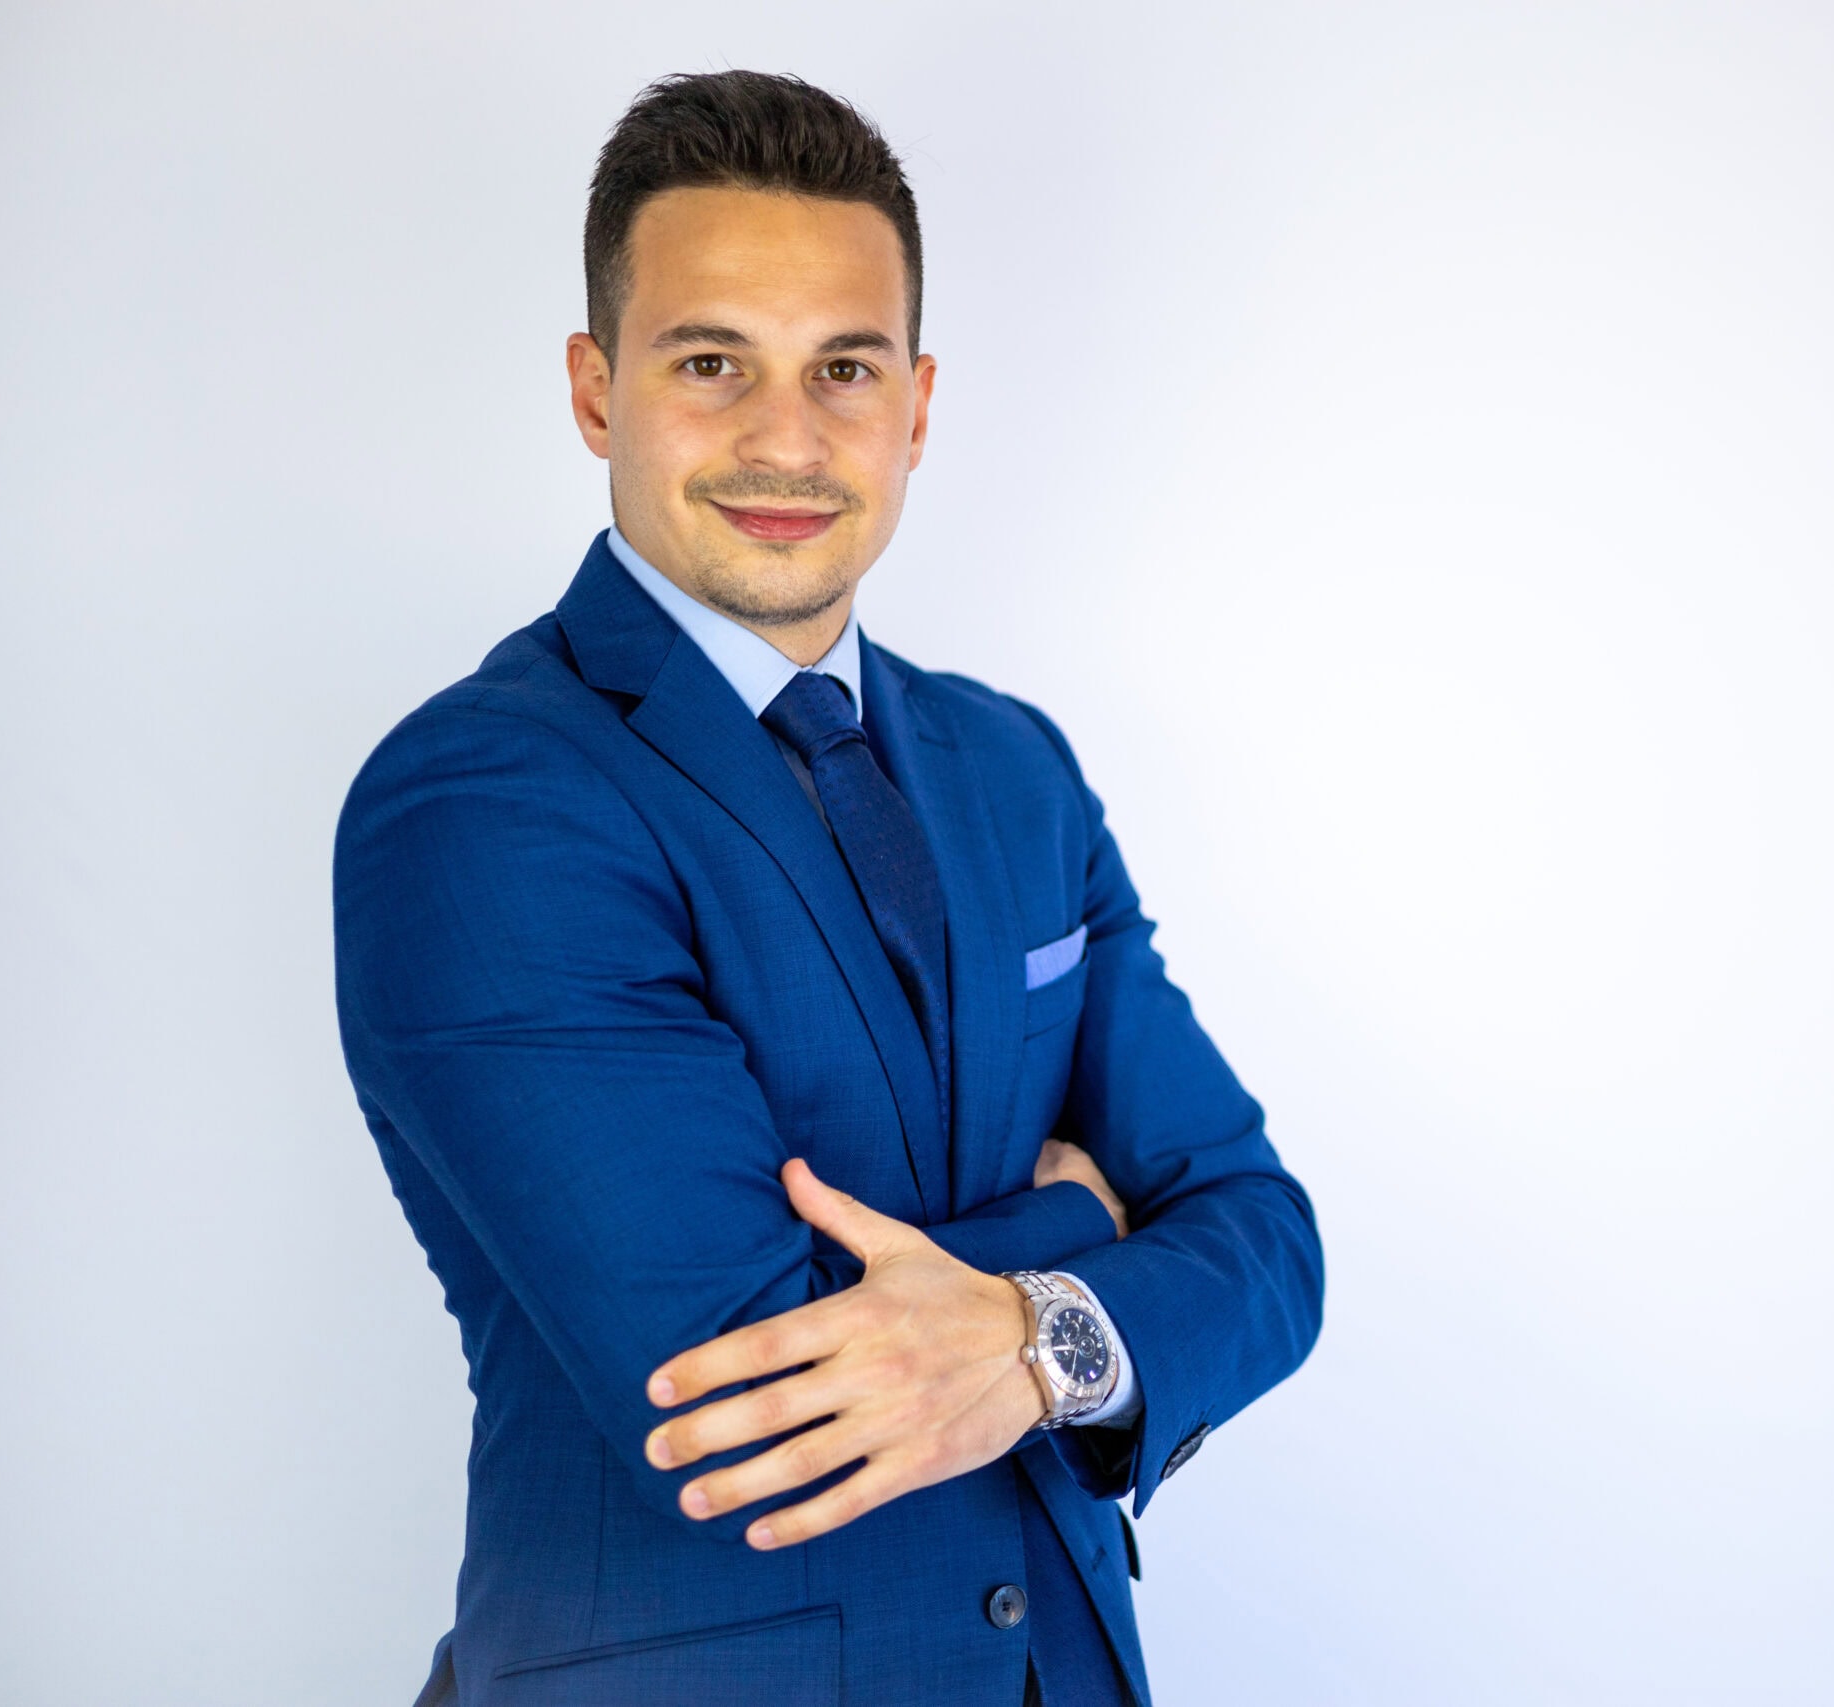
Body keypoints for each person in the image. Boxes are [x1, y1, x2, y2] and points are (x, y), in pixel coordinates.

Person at [333, 70, 1325, 1707]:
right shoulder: (485, 799)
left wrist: (1019, 1338)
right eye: (711, 361)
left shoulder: (1019, 769)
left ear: (917, 408)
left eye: (843, 370)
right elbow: (739, 1399)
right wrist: (1084, 1229)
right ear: (597, 390)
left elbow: (1269, 1241)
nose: (785, 439)